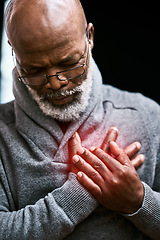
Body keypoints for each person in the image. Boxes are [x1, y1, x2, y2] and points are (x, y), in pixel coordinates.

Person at [0, 0, 160, 239]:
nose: (55, 82)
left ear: (90, 36)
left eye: (68, 63)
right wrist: (79, 193)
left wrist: (139, 201)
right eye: (34, 70)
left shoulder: (146, 115)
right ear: (14, 52)